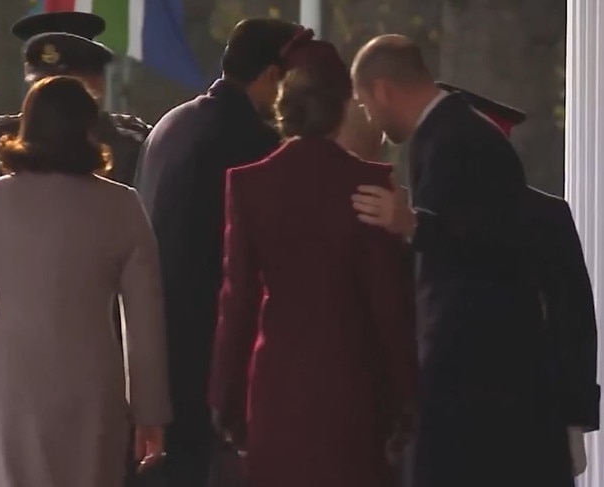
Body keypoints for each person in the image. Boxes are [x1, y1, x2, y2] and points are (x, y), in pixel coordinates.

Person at [350, 35, 574, 487]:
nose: (369, 117)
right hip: (478, 382)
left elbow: (494, 242)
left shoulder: (455, 139)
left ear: (382, 89)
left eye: (364, 102)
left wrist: (412, 225)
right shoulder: (448, 134)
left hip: (479, 384)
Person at [208, 29, 418, 487]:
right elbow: (388, 301)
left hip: (275, 386)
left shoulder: (248, 185)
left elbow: (237, 303)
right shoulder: (368, 182)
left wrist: (224, 399)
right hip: (354, 387)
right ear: (342, 107)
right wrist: (407, 397)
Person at [0, 76, 171, 487]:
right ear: (90, 130)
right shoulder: (122, 206)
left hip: (4, 388)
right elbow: (145, 324)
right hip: (92, 389)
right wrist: (150, 415)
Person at [135, 18, 303, 487]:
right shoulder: (253, 142)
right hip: (207, 347)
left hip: (151, 339)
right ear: (272, 76)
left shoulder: (171, 123)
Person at [439, 82, 600, 471]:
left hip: (529, 410)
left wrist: (573, 421)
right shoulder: (427, 215)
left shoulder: (545, 218)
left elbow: (572, 321)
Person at [0, 12, 150, 221]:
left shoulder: (130, 144)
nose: (55, 103)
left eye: (69, 90)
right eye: (45, 88)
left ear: (98, 84)